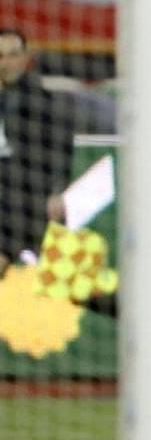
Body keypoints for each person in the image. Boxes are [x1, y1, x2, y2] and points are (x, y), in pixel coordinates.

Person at [0, 29, 74, 277]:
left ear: (26, 57)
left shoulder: (41, 102)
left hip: (29, 203)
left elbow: (61, 148)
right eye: (0, 56)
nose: (6, 63)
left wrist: (57, 191)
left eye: (13, 55)